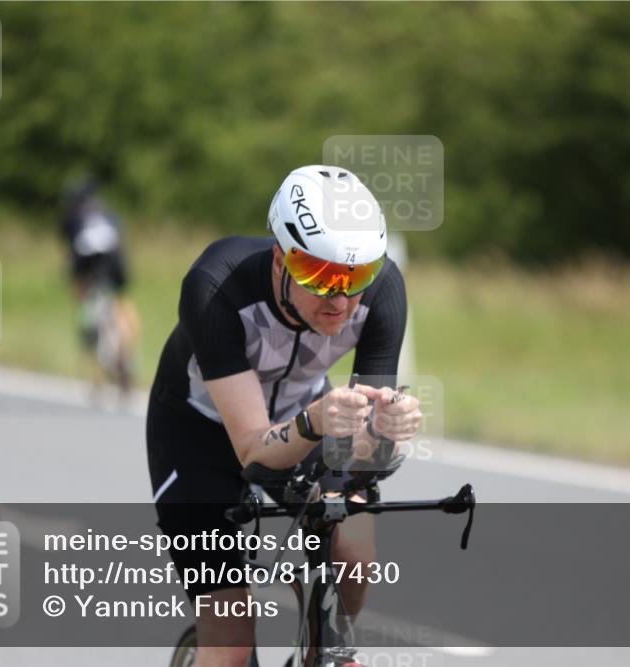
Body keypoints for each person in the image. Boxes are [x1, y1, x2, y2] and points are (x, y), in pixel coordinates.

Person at [146, 165, 423, 666]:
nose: (339, 299)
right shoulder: (215, 286)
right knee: (230, 644)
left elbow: (363, 452)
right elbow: (253, 448)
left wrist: (386, 432)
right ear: (281, 259)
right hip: (198, 434)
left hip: (308, 415)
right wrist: (316, 421)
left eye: (356, 275)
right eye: (321, 276)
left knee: (354, 550)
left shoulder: (384, 293)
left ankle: (323, 651)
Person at [60, 178, 139, 390]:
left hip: (90, 267)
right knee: (120, 306)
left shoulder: (72, 218)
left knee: (88, 316)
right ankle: (126, 353)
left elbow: (73, 256)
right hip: (116, 266)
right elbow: (120, 243)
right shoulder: (108, 214)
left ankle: (96, 368)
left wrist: (75, 284)